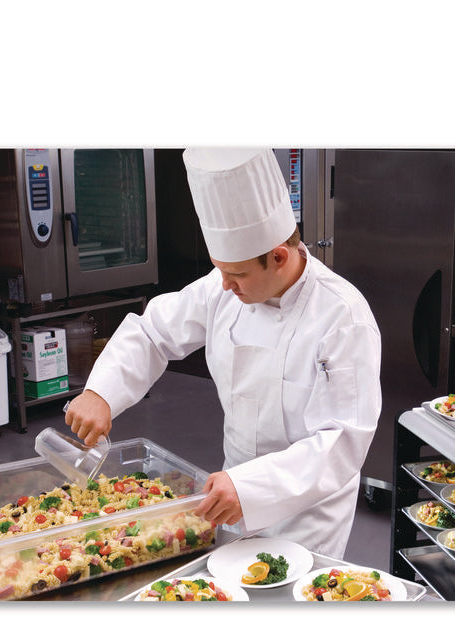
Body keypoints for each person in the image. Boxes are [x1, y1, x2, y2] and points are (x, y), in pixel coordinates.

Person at [64, 148, 381, 558]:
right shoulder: (224, 287)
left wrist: (249, 488)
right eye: (220, 271)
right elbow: (152, 331)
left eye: (237, 274)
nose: (226, 286)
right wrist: (101, 392)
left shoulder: (342, 317)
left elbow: (342, 441)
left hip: (306, 515)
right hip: (229, 494)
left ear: (278, 257)